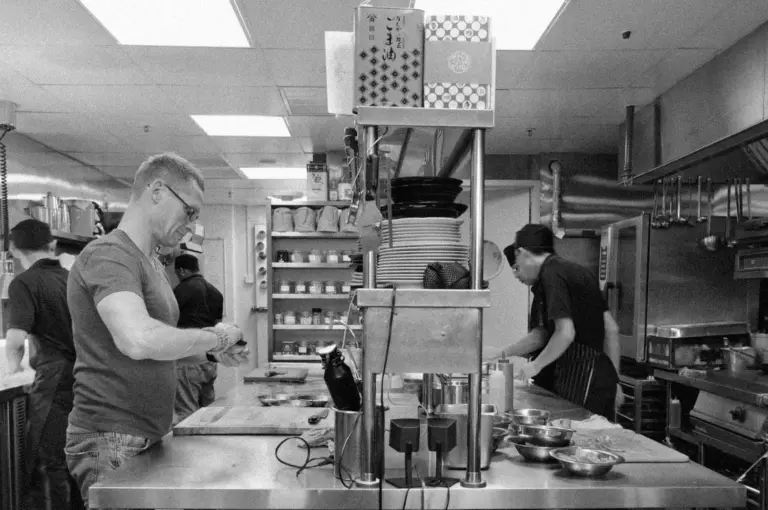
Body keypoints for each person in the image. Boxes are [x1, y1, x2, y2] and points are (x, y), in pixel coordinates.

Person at [64, 153, 249, 508]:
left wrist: (209, 352)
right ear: (157, 191)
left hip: (145, 433)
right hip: (112, 437)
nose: (190, 226)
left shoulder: (149, 262)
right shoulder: (109, 255)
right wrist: (218, 336)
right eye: (190, 212)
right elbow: (139, 339)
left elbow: (159, 345)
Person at [489, 224, 623, 419]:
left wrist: (535, 366)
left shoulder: (551, 274)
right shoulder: (573, 271)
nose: (516, 273)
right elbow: (611, 327)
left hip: (584, 381)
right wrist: (614, 380)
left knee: (582, 437)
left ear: (522, 252)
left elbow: (565, 332)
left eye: (516, 265)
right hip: (598, 381)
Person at [5, 219, 82, 510]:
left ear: (14, 249)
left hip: (53, 380)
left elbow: (15, 340)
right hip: (82, 380)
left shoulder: (24, 282)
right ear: (51, 245)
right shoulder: (70, 278)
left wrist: (13, 370)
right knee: (75, 460)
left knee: (48, 462)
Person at [172, 253, 224, 424]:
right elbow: (217, 325)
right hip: (209, 359)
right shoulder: (215, 292)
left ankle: (189, 450)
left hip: (189, 359)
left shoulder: (182, 290)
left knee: (187, 413)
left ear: (181, 271)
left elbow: (165, 319)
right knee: (208, 410)